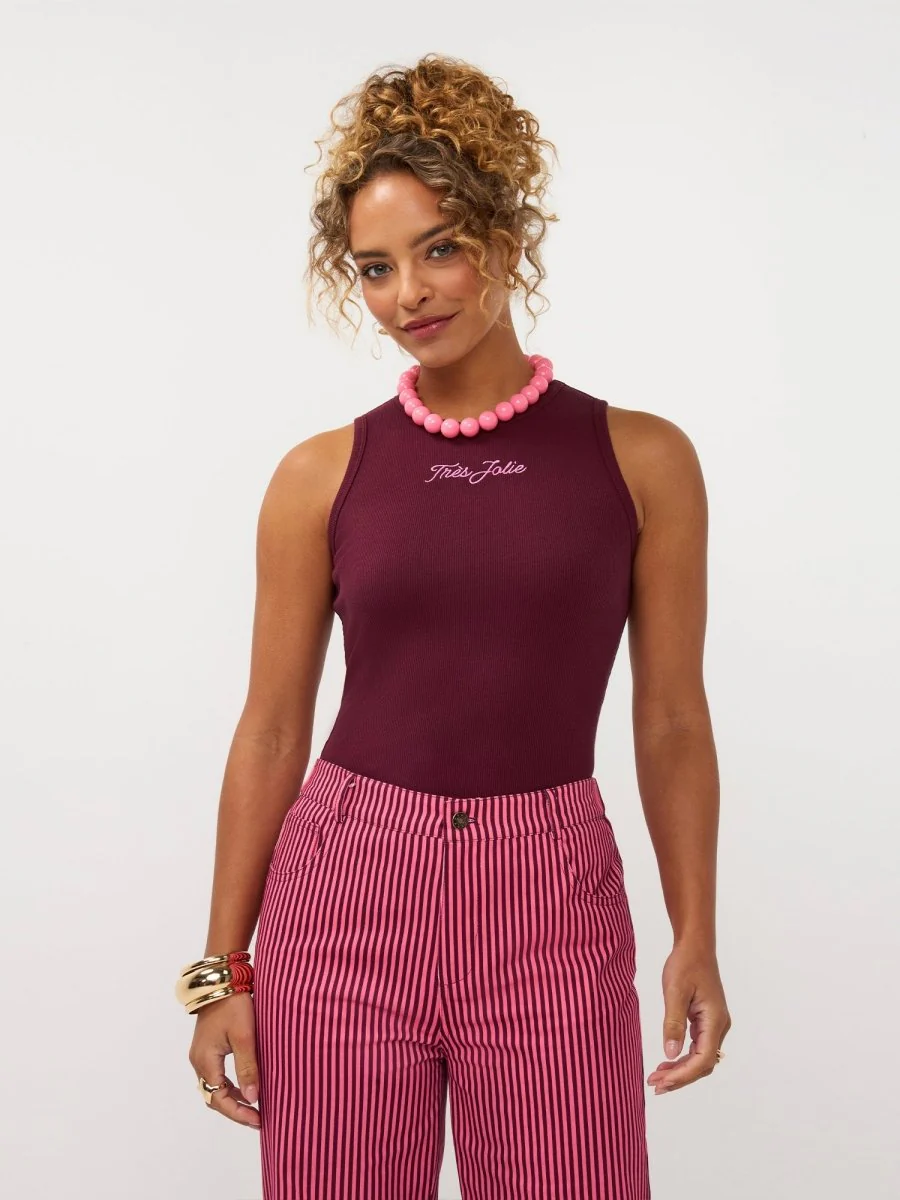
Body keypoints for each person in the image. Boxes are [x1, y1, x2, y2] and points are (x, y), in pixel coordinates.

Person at [177, 52, 732, 1199]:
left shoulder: (643, 459)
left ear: (506, 240)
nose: (408, 295)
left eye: (439, 249)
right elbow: (272, 730)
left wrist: (696, 932)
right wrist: (221, 969)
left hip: (551, 898)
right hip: (343, 895)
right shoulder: (318, 476)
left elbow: (672, 718)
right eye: (375, 268)